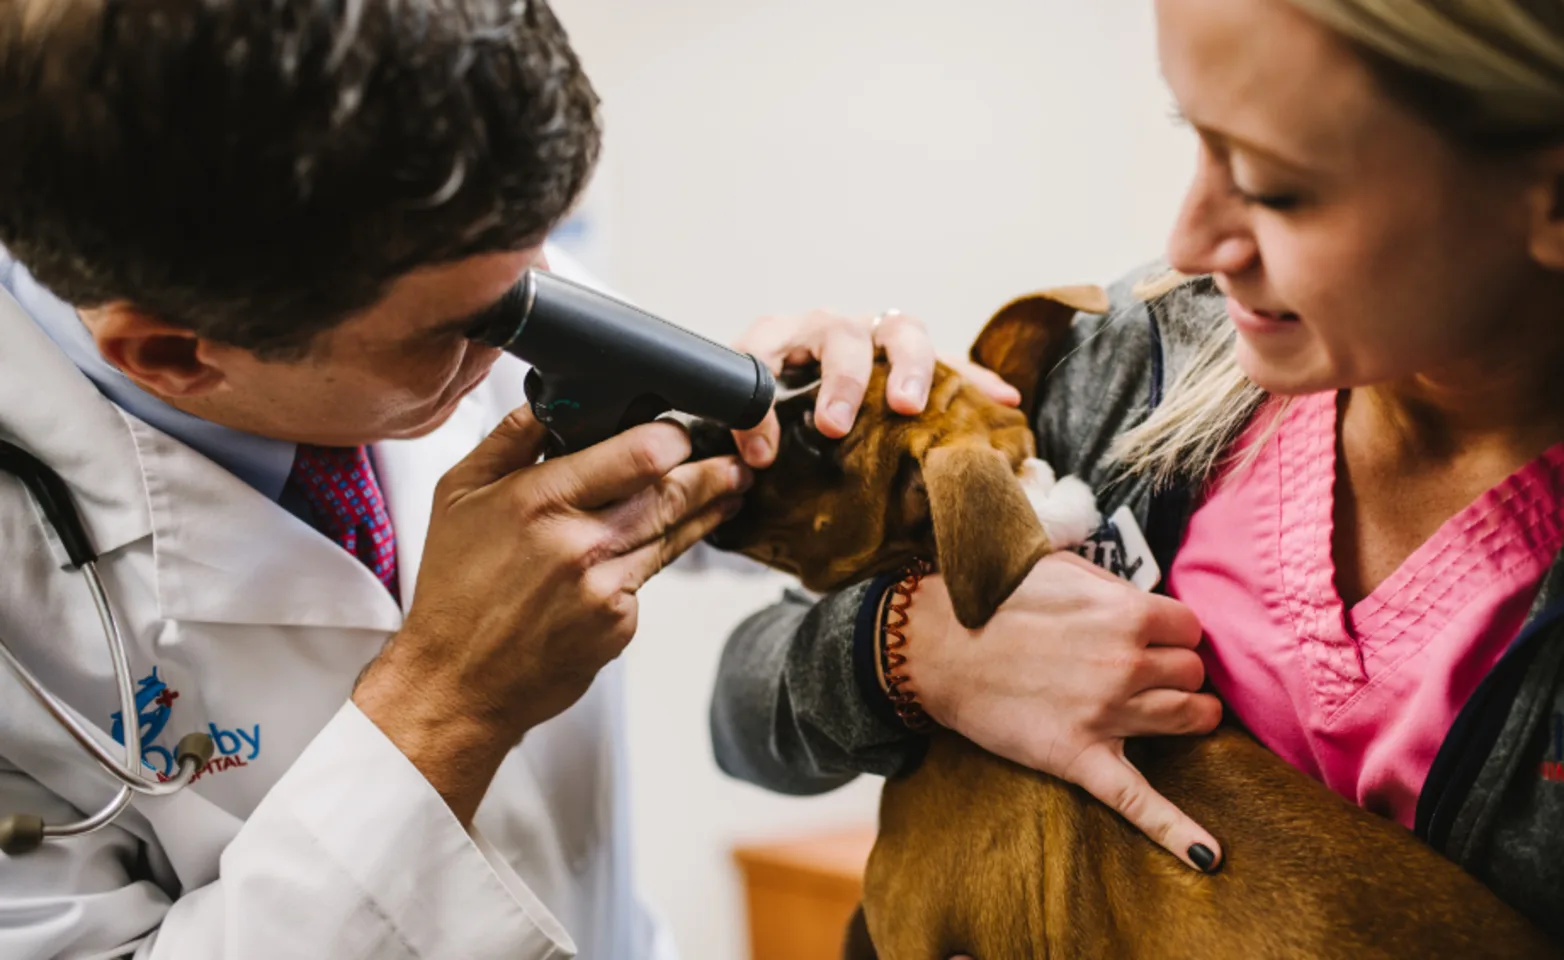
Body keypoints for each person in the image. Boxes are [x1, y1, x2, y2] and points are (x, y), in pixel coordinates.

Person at [0, 3, 996, 958]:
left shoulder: (415, 258)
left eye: (534, 272)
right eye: (463, 329)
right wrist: (449, 703)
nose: (530, 335)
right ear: (175, 356)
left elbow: (688, 472)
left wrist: (830, 430)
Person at [712, 0, 1564, 940]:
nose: (1191, 243)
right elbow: (745, 706)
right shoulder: (1133, 361)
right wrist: (911, 651)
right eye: (1194, 136)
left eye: (1275, 187)